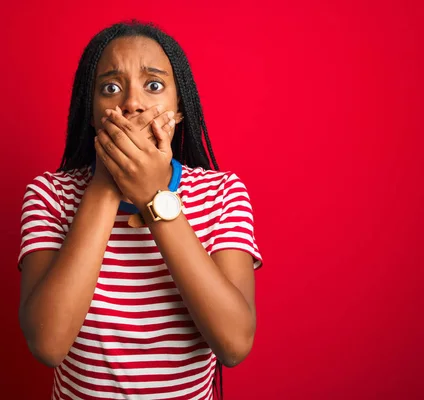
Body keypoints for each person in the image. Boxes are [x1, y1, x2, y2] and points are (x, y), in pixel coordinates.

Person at [18, 20, 263, 400]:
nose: (131, 103)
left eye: (153, 85)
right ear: (91, 110)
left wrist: (154, 197)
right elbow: (48, 344)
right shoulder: (51, 195)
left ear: (179, 107)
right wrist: (105, 184)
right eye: (111, 88)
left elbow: (233, 344)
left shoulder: (223, 193)